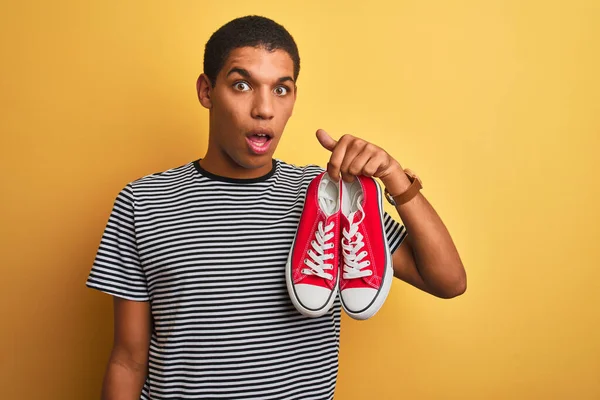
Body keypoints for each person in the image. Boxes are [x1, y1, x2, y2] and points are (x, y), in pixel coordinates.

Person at [86, 15, 466, 400]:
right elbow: (128, 359)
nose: (264, 109)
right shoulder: (144, 201)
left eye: (280, 90)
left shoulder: (329, 196)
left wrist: (394, 177)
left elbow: (448, 281)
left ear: (294, 98)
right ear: (206, 91)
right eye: (242, 85)